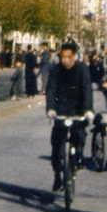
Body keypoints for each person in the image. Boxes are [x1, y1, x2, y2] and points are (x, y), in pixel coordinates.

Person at [45, 43, 94, 192]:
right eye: (63, 57)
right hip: (61, 110)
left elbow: (87, 90)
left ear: (74, 56)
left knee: (79, 138)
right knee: (57, 143)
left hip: (78, 111)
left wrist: (88, 110)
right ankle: (58, 176)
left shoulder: (82, 69)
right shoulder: (56, 70)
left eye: (68, 57)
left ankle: (77, 160)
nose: (65, 60)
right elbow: (51, 90)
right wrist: (51, 108)